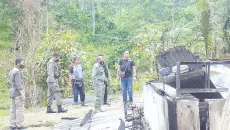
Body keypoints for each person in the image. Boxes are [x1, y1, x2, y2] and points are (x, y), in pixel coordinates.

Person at [9, 57, 26, 130]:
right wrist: (22, 94)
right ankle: (20, 126)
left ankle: (12, 125)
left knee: (12, 110)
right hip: (17, 93)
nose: (23, 64)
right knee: (19, 109)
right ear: (18, 63)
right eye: (22, 63)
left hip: (12, 93)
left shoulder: (12, 70)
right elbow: (18, 85)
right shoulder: (18, 72)